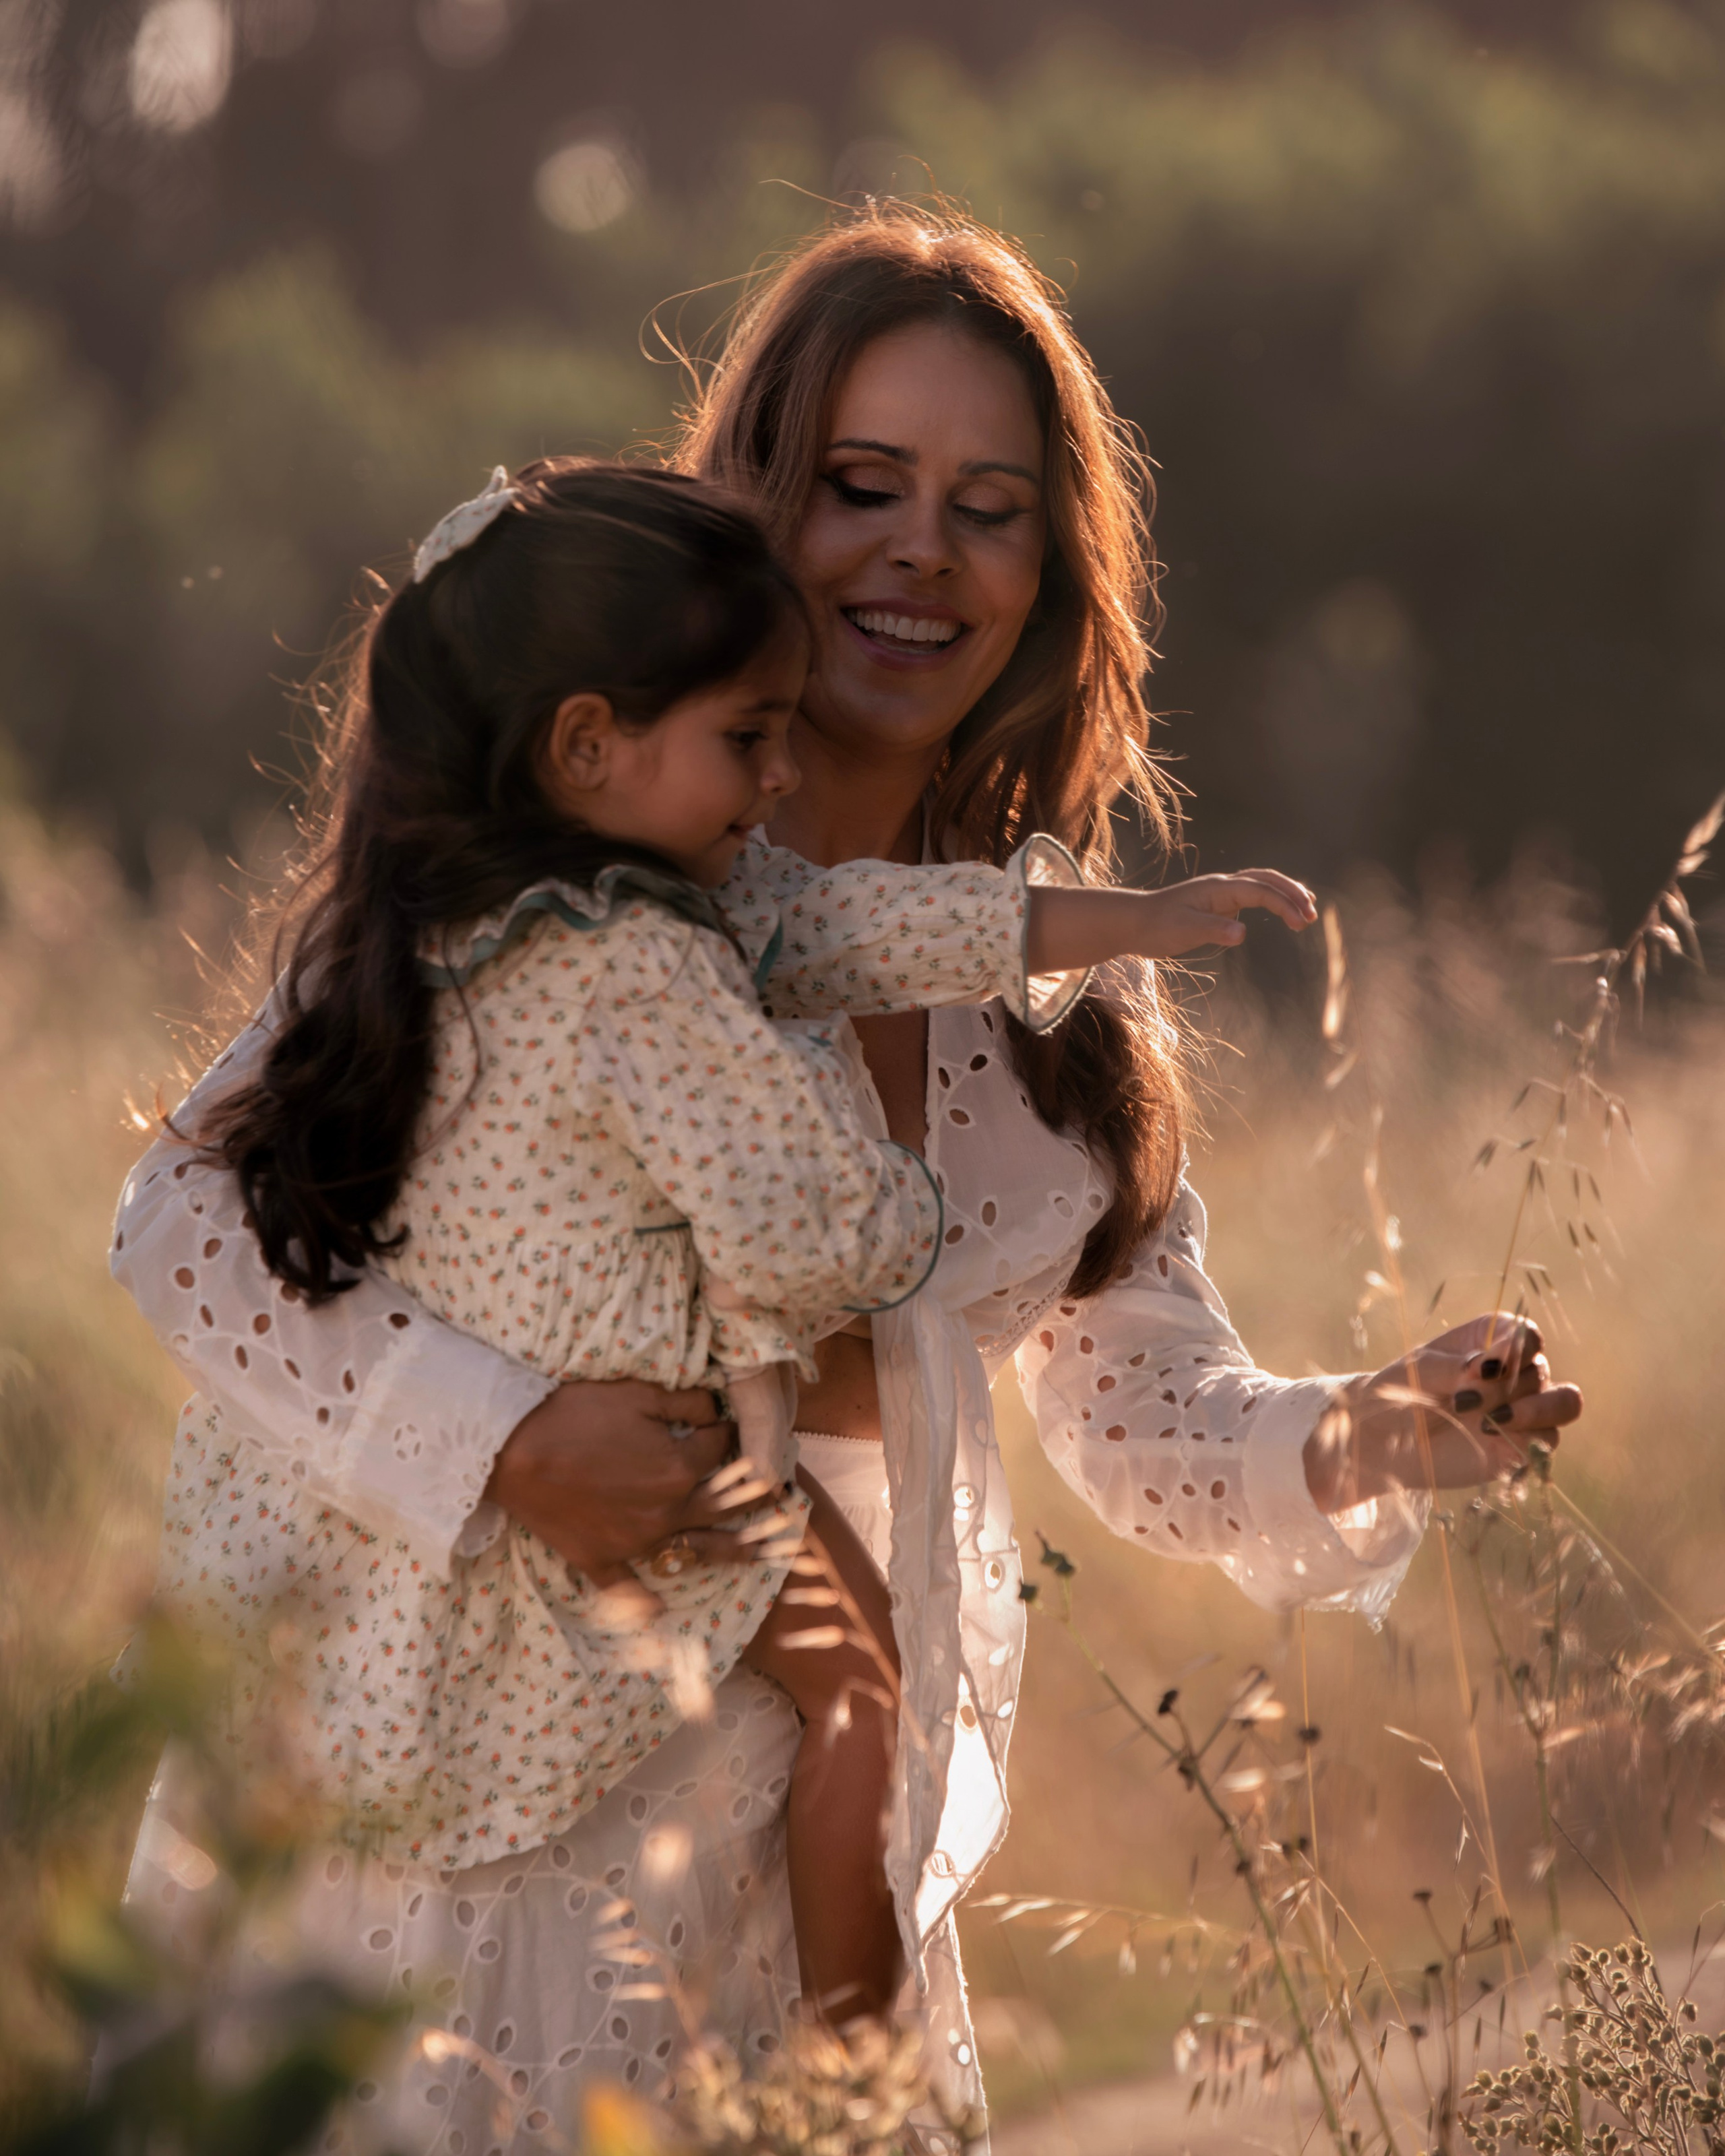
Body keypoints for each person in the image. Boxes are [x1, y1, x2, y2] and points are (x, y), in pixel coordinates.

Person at [111, 205, 1581, 2153]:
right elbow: (190, 1227)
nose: (922, 551)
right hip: (455, 1818)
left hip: (796, 1886)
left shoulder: (1053, 1004)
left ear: (1052, 570)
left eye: (990, 506)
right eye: (864, 485)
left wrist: (1378, 1427)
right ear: (756, 506)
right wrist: (505, 1433)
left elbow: (1137, 1406)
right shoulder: (549, 875)